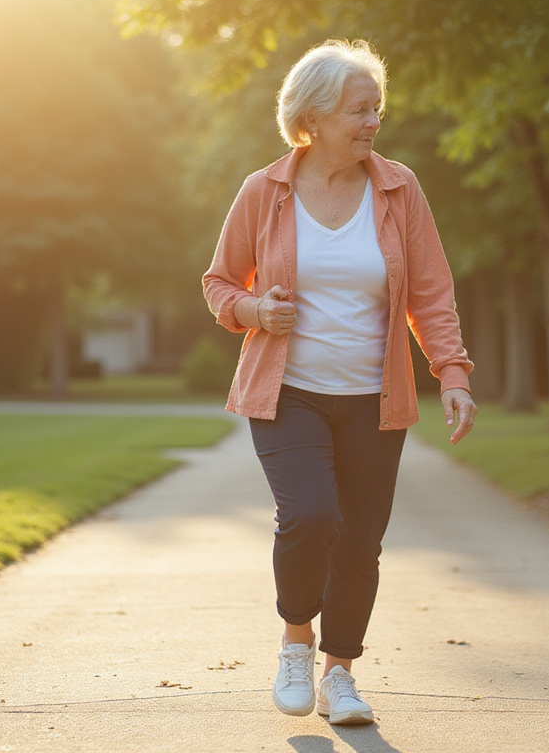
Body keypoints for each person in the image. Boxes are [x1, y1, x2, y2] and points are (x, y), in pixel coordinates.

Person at [202, 38, 477, 727]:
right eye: (359, 109)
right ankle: (297, 644)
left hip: (372, 399)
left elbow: (431, 292)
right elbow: (218, 284)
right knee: (311, 515)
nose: (372, 121)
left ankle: (341, 677)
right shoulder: (264, 192)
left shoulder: (398, 188)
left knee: (360, 540)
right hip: (286, 391)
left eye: (377, 108)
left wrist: (451, 372)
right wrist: (255, 309)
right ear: (315, 115)